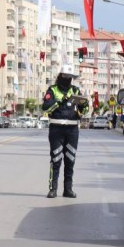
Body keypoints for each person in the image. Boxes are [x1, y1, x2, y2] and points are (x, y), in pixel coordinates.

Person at [42, 64, 89, 198]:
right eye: (66, 76)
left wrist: (84, 105)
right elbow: (45, 108)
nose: (68, 79)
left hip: (72, 130)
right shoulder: (52, 90)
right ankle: (53, 189)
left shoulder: (75, 90)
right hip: (56, 129)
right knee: (56, 159)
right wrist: (59, 102)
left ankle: (68, 189)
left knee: (70, 160)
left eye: (70, 77)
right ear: (60, 76)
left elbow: (83, 112)